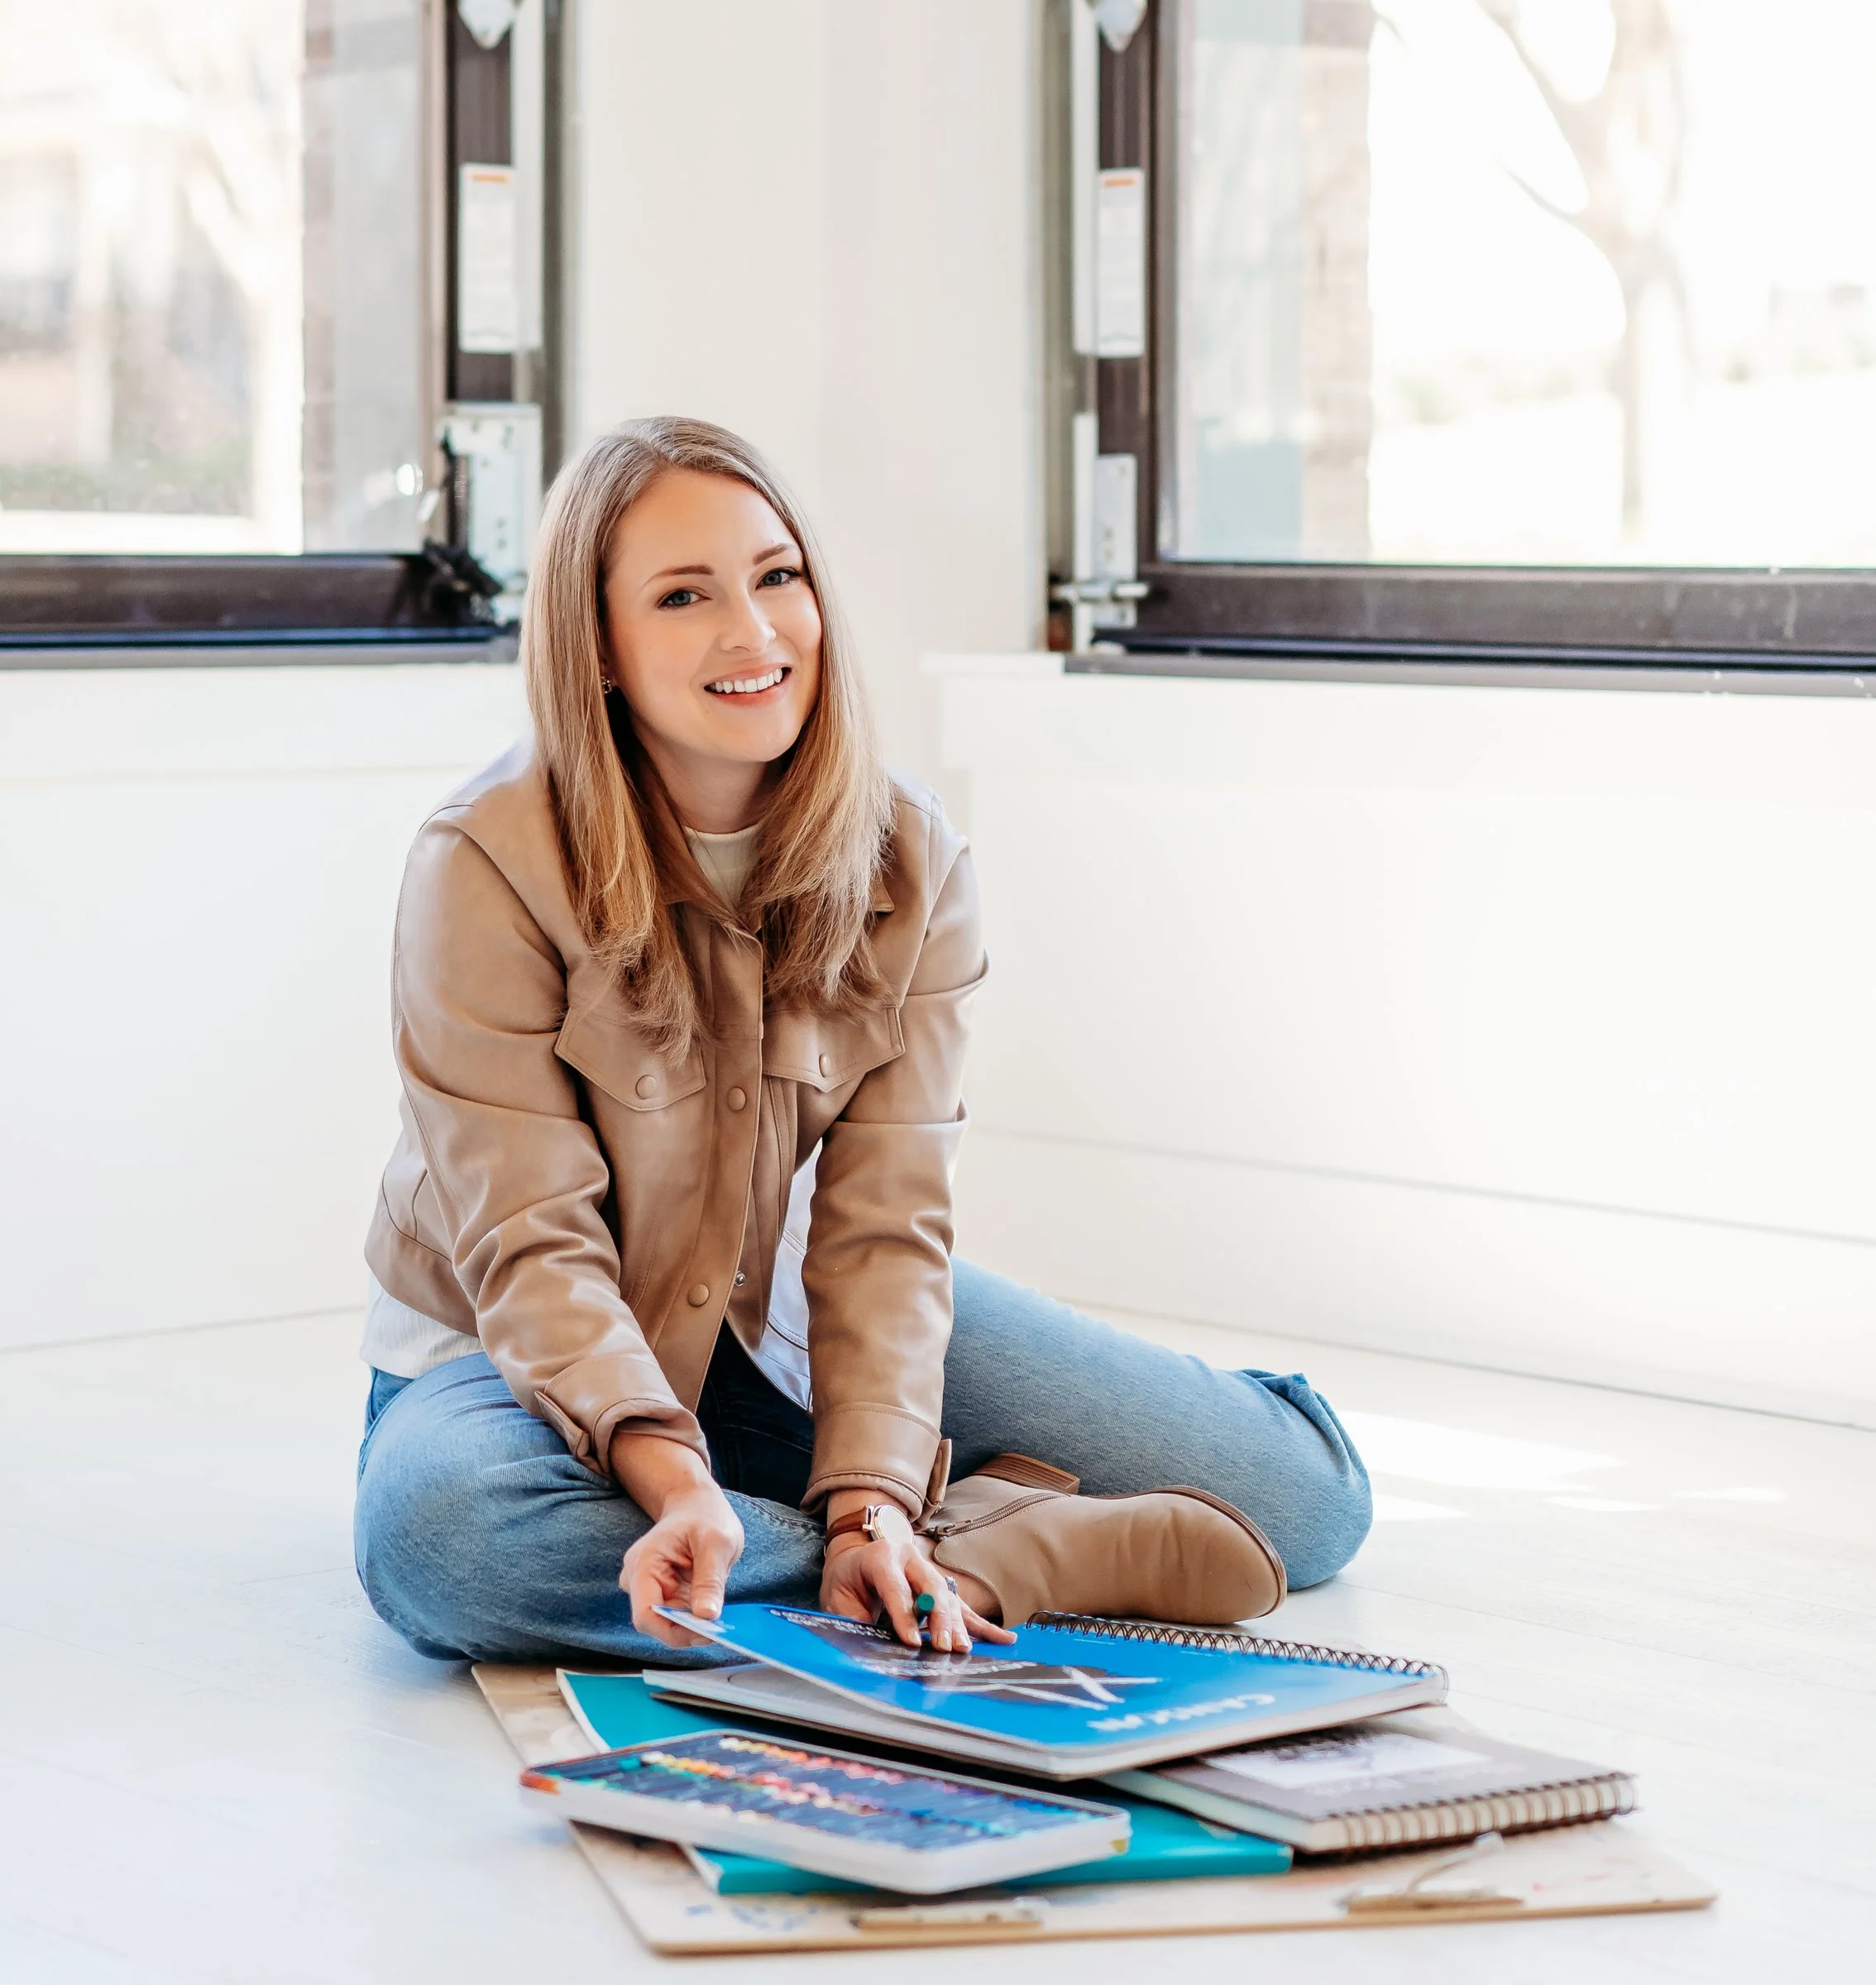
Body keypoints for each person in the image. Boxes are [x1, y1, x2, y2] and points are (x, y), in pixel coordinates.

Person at [355, 416, 1370, 1667]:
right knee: (447, 1542)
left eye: (779, 576)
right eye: (684, 595)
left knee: (1310, 1503)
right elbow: (529, 1241)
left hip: (771, 1312)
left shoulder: (911, 857)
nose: (755, 633)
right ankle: (952, 1545)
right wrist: (676, 1480)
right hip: (516, 1357)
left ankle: (890, 1532)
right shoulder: (485, 861)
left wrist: (874, 1490)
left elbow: (886, 1224)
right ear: (599, 648)